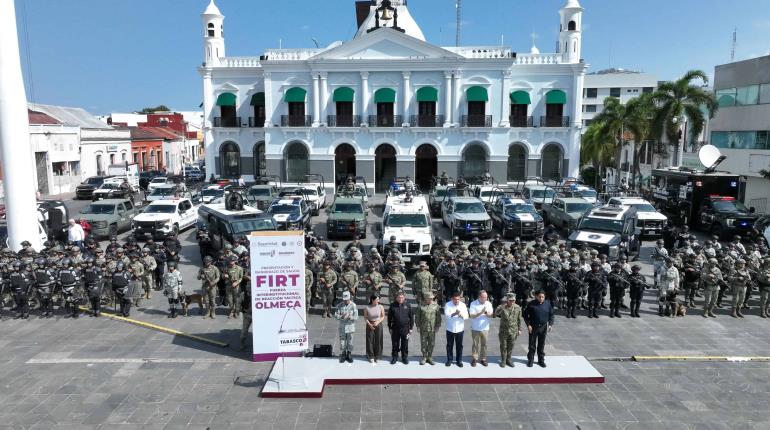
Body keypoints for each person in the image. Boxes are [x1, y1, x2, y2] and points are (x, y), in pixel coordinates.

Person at [523, 291, 554, 368]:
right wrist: (528, 325)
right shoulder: (531, 304)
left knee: (541, 345)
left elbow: (551, 315)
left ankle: (541, 360)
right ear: (536, 296)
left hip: (543, 328)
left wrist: (550, 324)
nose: (541, 298)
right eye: (539, 297)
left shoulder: (548, 304)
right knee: (532, 345)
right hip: (533, 327)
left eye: (542, 297)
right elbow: (525, 315)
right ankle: (531, 360)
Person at [495, 292, 522, 368]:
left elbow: (519, 319)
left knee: (511, 346)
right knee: (503, 346)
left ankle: (508, 359)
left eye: (513, 300)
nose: (512, 302)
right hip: (504, 331)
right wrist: (502, 307)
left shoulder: (518, 308)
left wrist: (519, 329)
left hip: (513, 331)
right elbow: (496, 314)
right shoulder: (502, 307)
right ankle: (503, 360)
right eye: (510, 300)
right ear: (507, 300)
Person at [387, 291, 414, 365]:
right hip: (395, 328)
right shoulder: (392, 305)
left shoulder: (408, 305)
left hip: (405, 328)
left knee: (405, 344)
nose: (400, 299)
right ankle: (395, 357)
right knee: (395, 343)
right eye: (399, 297)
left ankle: (404, 357)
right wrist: (390, 327)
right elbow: (389, 318)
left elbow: (411, 317)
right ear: (396, 298)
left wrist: (411, 328)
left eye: (402, 297)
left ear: (404, 298)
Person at [469, 290, 494, 367]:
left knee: (484, 344)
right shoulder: (473, 304)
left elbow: (492, 315)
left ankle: (483, 359)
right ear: (479, 297)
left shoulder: (489, 304)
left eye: (486, 297)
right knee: (475, 344)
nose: (485, 298)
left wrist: (486, 313)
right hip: (475, 328)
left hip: (485, 328)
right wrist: (481, 312)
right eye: (484, 297)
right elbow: (472, 316)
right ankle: (474, 359)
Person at [444, 291, 469, 367]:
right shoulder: (448, 305)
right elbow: (446, 316)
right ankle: (449, 360)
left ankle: (459, 360)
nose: (456, 301)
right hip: (450, 328)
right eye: (455, 299)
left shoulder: (463, 305)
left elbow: (466, 316)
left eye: (458, 299)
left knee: (459, 346)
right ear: (452, 298)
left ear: (460, 299)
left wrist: (460, 315)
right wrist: (454, 314)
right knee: (449, 345)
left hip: (459, 329)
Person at [417, 292, 441, 365]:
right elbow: (418, 317)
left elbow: (438, 317)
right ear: (426, 298)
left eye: (432, 298)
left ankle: (430, 357)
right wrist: (418, 326)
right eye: (429, 298)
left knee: (431, 343)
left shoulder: (436, 306)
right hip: (423, 328)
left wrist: (437, 326)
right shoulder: (421, 305)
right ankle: (424, 357)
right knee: (423, 343)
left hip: (432, 328)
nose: (431, 299)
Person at [334, 291, 358, 364]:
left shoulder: (353, 305)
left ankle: (349, 354)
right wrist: (341, 316)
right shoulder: (339, 305)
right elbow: (335, 315)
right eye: (344, 299)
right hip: (342, 327)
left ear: (349, 298)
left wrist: (350, 317)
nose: (345, 301)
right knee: (342, 341)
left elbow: (356, 317)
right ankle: (343, 353)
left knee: (350, 341)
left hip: (350, 327)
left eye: (347, 299)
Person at [364, 295, 385, 363]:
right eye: (376, 300)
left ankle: (378, 355)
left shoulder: (380, 306)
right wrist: (369, 324)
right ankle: (370, 356)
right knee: (370, 340)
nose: (378, 301)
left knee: (378, 339)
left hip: (378, 324)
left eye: (378, 299)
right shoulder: (367, 307)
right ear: (372, 300)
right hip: (370, 324)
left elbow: (383, 316)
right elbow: (365, 317)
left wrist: (378, 322)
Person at [240, 284, 252, 350]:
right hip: (247, 314)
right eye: (247, 287)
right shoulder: (243, 294)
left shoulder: (256, 293)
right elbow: (239, 302)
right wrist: (238, 311)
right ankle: (242, 343)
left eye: (249, 287)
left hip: (256, 315)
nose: (248, 288)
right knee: (244, 331)